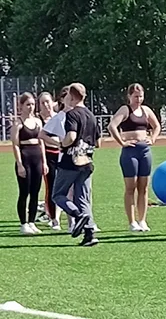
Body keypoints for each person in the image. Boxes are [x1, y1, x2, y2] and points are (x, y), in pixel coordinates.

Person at [52, 83, 101, 247]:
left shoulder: (72, 114)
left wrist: (62, 144)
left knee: (58, 195)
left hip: (70, 162)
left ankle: (77, 215)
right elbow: (98, 142)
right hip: (87, 162)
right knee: (83, 198)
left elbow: (71, 137)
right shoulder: (91, 116)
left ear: (71, 97)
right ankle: (90, 234)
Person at [108, 83, 161, 232]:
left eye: (141, 96)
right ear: (129, 96)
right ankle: (132, 222)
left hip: (144, 151)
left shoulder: (146, 110)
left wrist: (153, 138)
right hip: (130, 152)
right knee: (130, 187)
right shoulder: (125, 110)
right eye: (136, 96)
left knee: (143, 187)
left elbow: (156, 126)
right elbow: (112, 126)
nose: (138, 99)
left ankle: (142, 220)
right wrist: (122, 142)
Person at [12, 92, 48, 235]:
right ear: (21, 106)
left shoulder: (38, 122)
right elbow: (15, 145)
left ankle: (32, 222)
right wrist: (19, 164)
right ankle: (23, 223)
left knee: (35, 192)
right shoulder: (18, 123)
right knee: (24, 192)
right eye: (28, 104)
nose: (31, 107)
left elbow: (42, 142)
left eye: (33, 104)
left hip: (37, 158)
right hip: (25, 158)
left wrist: (44, 162)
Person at [38, 92, 61, 230]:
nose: (46, 105)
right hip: (48, 155)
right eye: (43, 103)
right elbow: (41, 141)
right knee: (51, 187)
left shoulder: (58, 117)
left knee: (63, 186)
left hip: (61, 155)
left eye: (48, 101)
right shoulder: (39, 119)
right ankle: (53, 219)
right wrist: (44, 161)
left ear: (52, 102)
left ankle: (60, 215)